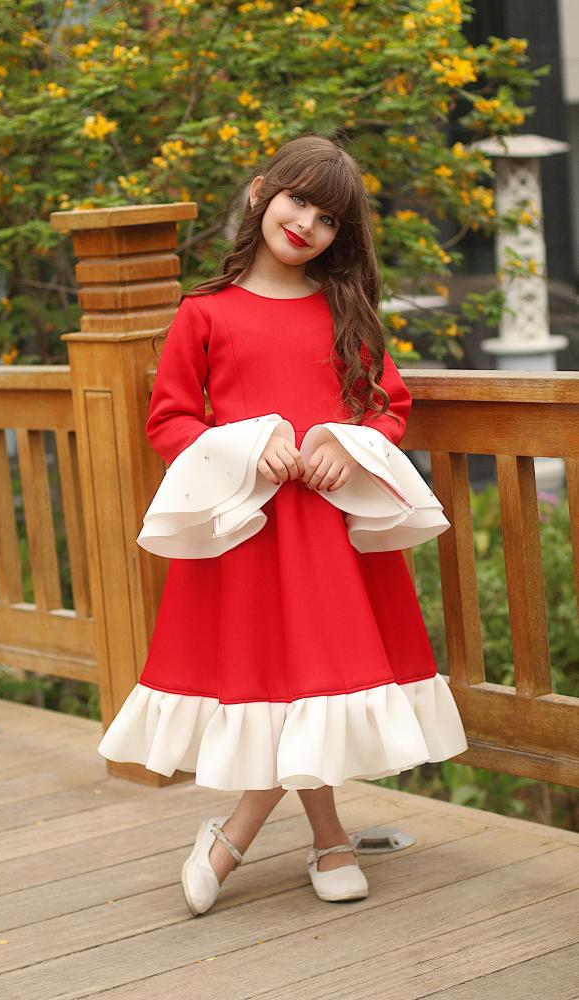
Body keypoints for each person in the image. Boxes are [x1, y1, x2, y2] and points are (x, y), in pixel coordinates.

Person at [98, 133, 468, 916]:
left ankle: (240, 836)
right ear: (263, 192)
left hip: (329, 533)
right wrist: (246, 443)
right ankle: (326, 839)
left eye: (328, 219)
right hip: (250, 533)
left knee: (316, 685)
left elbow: (386, 406)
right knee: (280, 685)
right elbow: (169, 420)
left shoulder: (343, 309)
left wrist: (342, 441)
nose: (306, 224)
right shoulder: (204, 312)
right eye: (298, 200)